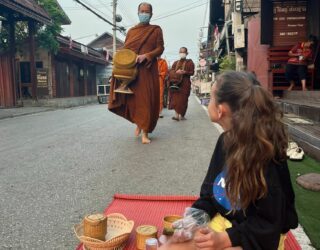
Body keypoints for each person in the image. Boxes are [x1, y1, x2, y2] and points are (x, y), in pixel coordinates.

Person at [159, 71, 298, 250]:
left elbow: (269, 224)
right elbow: (210, 193)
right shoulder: (225, 141)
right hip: (224, 222)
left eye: (210, 97)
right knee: (170, 246)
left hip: (258, 236)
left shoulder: (266, 153)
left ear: (220, 109)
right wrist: (194, 219)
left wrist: (224, 239)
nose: (208, 101)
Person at [108, 2, 164, 144]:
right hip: (133, 71)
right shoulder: (131, 32)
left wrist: (147, 56)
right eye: (142, 11)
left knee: (146, 100)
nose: (144, 14)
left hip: (147, 70)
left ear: (151, 14)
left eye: (147, 12)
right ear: (138, 12)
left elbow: (160, 48)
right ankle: (139, 123)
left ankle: (145, 132)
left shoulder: (156, 30)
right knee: (134, 101)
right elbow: (126, 51)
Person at [168, 47, 194, 121]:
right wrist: (176, 72)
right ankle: (176, 116)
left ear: (186, 53)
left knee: (183, 100)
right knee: (176, 99)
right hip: (176, 83)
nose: (182, 53)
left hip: (185, 83)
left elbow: (192, 72)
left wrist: (184, 72)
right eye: (180, 52)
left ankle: (182, 115)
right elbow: (171, 71)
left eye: (183, 52)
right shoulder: (175, 62)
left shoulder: (190, 62)